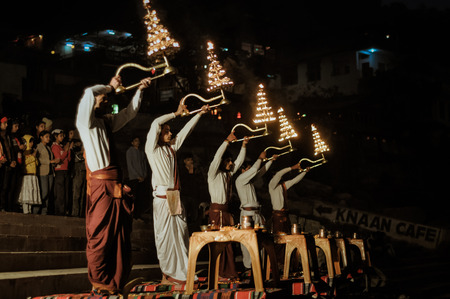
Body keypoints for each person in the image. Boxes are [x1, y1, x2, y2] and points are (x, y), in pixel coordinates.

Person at [76, 75, 150, 295]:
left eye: (106, 98)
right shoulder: (84, 121)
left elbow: (129, 113)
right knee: (99, 234)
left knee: (118, 234)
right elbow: (90, 92)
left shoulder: (105, 121)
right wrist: (109, 86)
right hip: (101, 187)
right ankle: (99, 281)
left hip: (114, 186)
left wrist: (141, 90)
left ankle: (113, 281)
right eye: (102, 98)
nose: (104, 100)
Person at [145, 100, 208, 284]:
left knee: (180, 235)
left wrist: (199, 114)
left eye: (169, 131)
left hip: (174, 197)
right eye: (166, 131)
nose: (170, 133)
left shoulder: (171, 149)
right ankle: (168, 272)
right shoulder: (152, 150)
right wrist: (176, 113)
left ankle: (184, 271)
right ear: (158, 134)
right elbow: (155, 123)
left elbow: (185, 132)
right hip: (163, 198)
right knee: (165, 237)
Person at [207, 132, 247, 279]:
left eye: (231, 161)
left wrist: (244, 146)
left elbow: (238, 162)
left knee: (228, 244)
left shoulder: (227, 175)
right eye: (228, 161)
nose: (231, 163)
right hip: (217, 213)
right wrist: (226, 142)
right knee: (219, 244)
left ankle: (228, 272)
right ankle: (218, 273)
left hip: (226, 212)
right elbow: (217, 158)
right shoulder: (213, 173)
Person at [235, 151, 276, 270]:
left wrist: (270, 161)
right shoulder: (240, 180)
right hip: (247, 215)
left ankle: (260, 266)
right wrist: (259, 158)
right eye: (247, 169)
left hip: (256, 214)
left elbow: (260, 172)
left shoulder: (250, 181)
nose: (250, 171)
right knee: (247, 241)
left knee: (261, 240)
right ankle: (249, 267)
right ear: (243, 171)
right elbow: (254, 170)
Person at [268, 163, 310, 235]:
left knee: (287, 233)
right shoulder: (271, 185)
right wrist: (292, 168)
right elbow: (279, 174)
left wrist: (304, 172)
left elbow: (294, 181)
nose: (279, 177)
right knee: (278, 236)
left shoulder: (282, 186)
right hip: (278, 215)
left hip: (285, 214)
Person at [36, 130, 59, 215]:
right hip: (43, 172)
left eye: (49, 137)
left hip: (50, 172)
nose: (48, 138)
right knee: (44, 192)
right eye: (46, 137)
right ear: (41, 137)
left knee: (48, 193)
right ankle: (36, 210)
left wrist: (54, 162)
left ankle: (44, 212)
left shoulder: (49, 148)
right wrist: (50, 161)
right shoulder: (39, 147)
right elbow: (38, 159)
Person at [18, 135, 41, 214]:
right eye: (30, 142)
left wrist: (35, 157)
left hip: (33, 175)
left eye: (32, 142)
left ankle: (29, 210)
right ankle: (25, 210)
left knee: (31, 192)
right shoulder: (24, 152)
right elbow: (25, 162)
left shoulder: (32, 152)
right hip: (27, 175)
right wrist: (33, 157)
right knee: (26, 192)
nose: (32, 143)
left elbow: (37, 163)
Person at [51, 129, 72, 216]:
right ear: (55, 136)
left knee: (66, 192)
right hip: (59, 171)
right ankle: (59, 211)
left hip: (65, 170)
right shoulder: (55, 147)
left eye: (63, 136)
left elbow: (69, 159)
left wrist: (68, 150)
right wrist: (66, 151)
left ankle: (65, 210)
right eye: (60, 136)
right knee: (60, 192)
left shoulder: (62, 146)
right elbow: (59, 159)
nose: (62, 137)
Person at [126, 136, 148, 219]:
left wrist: (144, 175)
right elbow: (130, 166)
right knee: (134, 197)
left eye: (138, 141)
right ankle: (133, 215)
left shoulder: (141, 152)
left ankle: (138, 215)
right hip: (134, 178)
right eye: (135, 141)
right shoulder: (129, 151)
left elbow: (144, 165)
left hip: (142, 178)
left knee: (140, 197)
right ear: (132, 142)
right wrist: (137, 176)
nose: (137, 142)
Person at [0, 116, 18, 212]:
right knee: (3, 187)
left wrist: (13, 160)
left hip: (9, 164)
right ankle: (2, 206)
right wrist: (8, 163)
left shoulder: (7, 135)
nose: (7, 125)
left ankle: (7, 206)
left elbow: (10, 150)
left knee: (9, 187)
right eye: (5, 123)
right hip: (4, 165)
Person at [71, 139, 86, 217]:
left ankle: (80, 213)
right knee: (76, 194)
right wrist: (82, 152)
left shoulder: (85, 154)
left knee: (82, 194)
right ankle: (75, 213)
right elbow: (77, 159)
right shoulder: (77, 153)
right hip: (78, 173)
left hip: (84, 174)